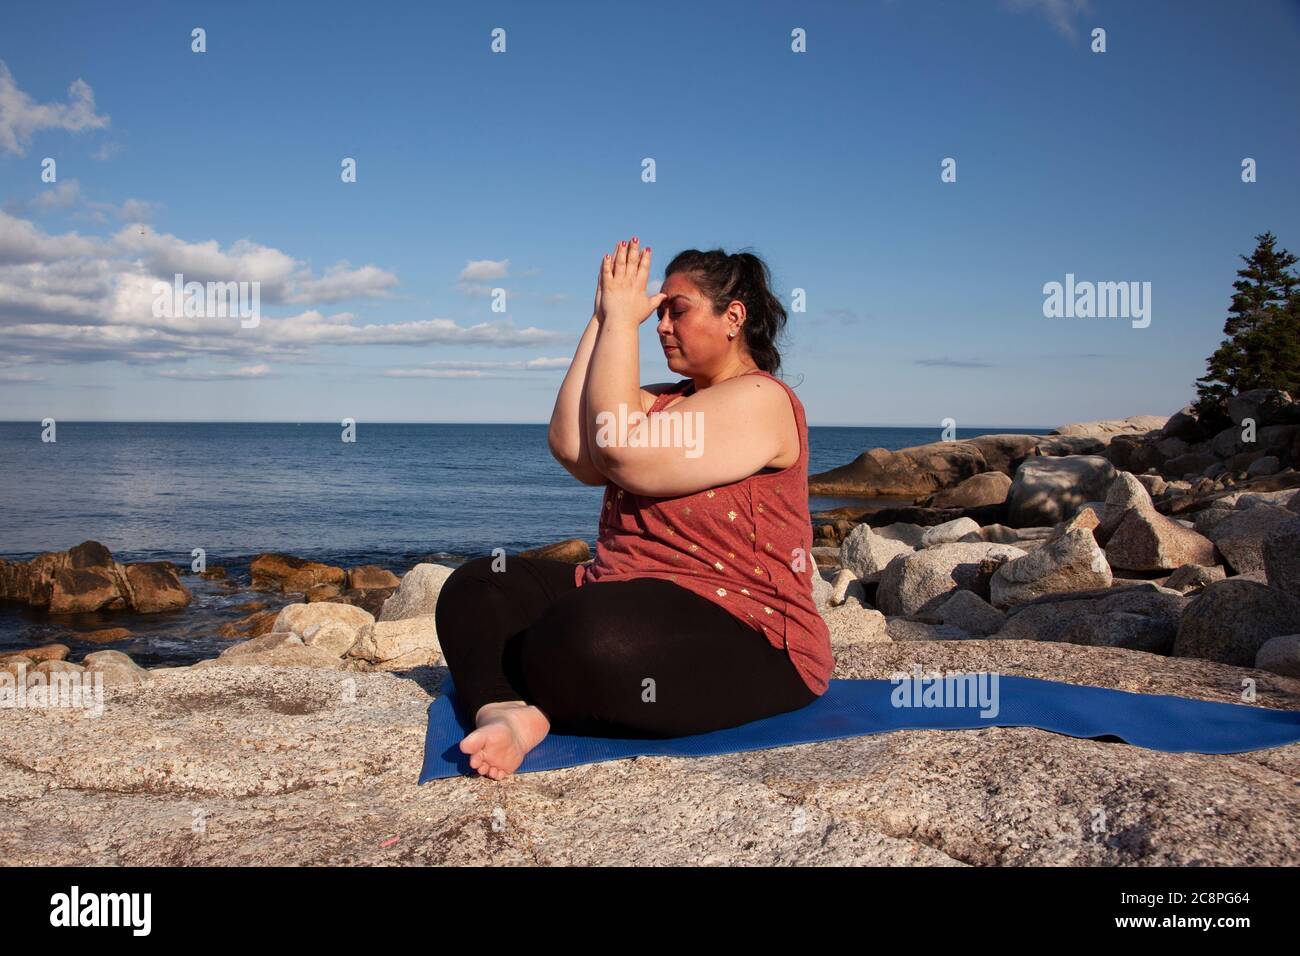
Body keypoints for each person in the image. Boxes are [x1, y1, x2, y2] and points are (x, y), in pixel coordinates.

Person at [434, 237, 834, 780]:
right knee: (479, 585)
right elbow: (573, 447)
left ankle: (550, 685)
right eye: (656, 311)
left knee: (585, 635)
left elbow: (621, 452)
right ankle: (507, 712)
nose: (661, 324)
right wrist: (603, 319)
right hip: (624, 596)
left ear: (733, 317)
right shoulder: (664, 400)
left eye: (677, 310)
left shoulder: (761, 401)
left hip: (748, 630)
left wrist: (625, 323)